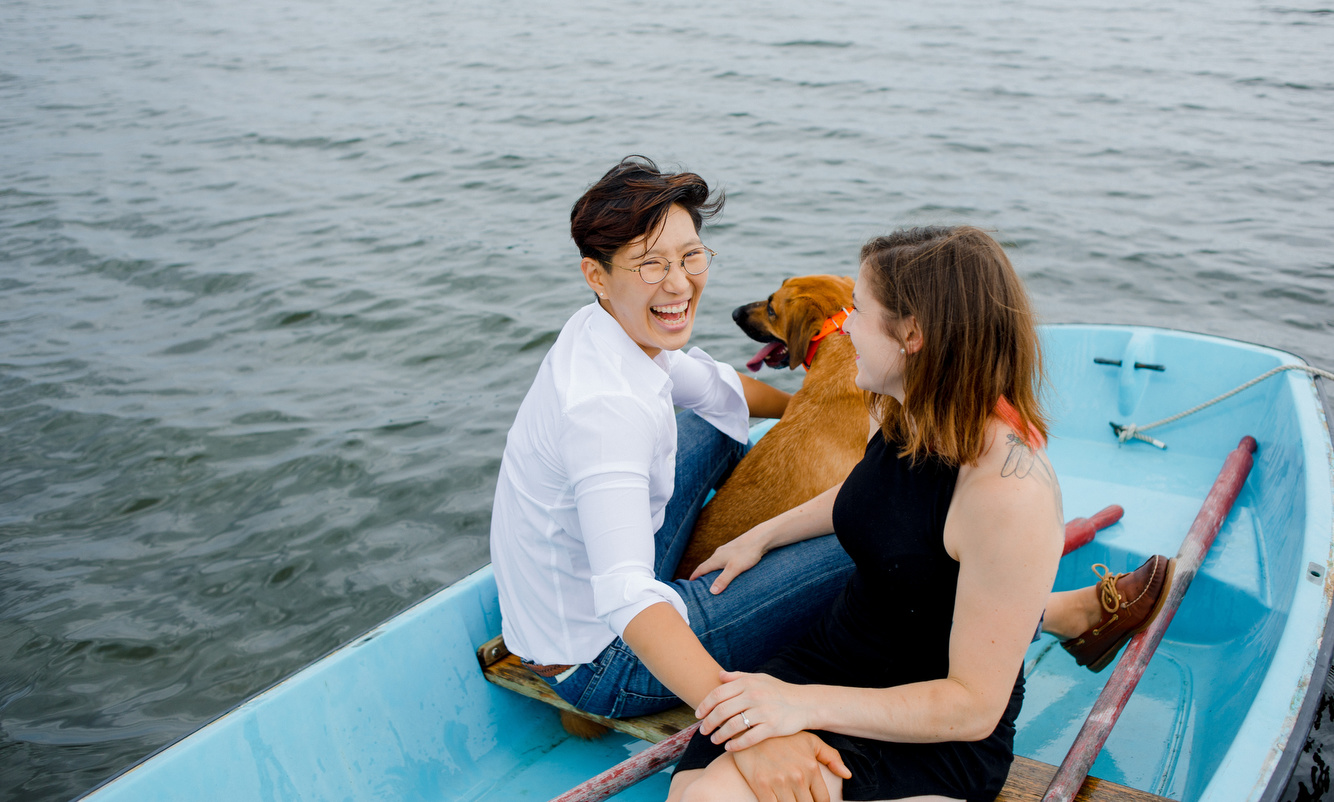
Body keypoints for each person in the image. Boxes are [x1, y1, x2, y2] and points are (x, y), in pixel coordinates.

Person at [668, 226, 1172, 802]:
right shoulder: (902, 409)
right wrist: (762, 534)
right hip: (831, 659)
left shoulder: (1009, 493)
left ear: (912, 334)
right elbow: (866, 497)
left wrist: (798, 706)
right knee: (692, 788)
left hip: (929, 723)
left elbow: (973, 706)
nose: (847, 325)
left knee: (710, 797)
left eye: (858, 309)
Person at [488, 157, 857, 780]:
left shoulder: (608, 331)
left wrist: (814, 410)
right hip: (604, 664)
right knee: (871, 530)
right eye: (650, 264)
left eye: (690, 257)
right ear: (596, 275)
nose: (679, 284)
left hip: (571, 612)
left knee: (707, 419)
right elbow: (627, 599)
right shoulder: (606, 415)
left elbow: (722, 393)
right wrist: (747, 731)